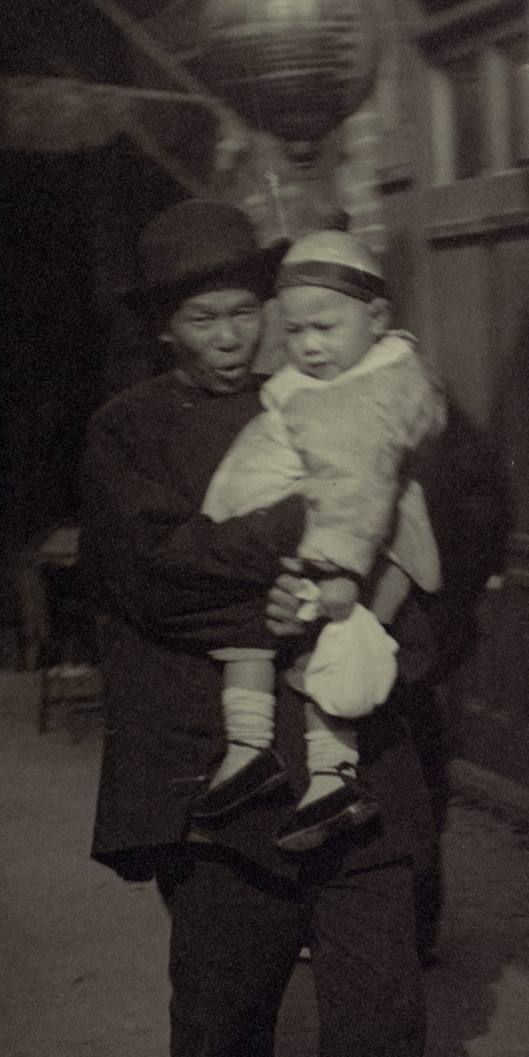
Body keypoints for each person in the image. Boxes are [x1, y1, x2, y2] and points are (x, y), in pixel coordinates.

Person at [77, 199, 444, 1057]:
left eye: (250, 312)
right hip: (221, 768)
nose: (235, 336)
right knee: (225, 1006)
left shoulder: (366, 391)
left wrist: (380, 630)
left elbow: (431, 564)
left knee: (384, 1018)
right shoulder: (130, 431)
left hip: (356, 760)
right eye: (206, 317)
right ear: (167, 328)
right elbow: (149, 583)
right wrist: (313, 536)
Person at [193, 229, 447, 851]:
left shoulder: (373, 389)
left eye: (324, 330)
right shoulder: (328, 379)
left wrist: (337, 566)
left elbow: (355, 485)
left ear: (377, 320)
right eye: (295, 333)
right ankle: (251, 747)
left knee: (337, 647)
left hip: (369, 545)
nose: (307, 347)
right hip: (317, 533)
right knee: (260, 627)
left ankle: (332, 776)